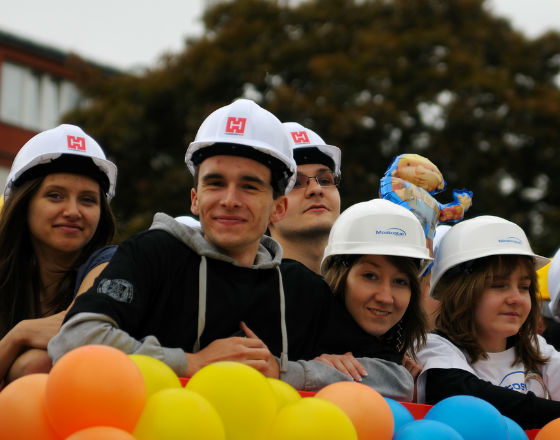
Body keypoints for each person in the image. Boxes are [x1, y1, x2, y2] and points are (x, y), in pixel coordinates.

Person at [48, 99, 396, 379]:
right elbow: (74, 339)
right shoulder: (152, 253)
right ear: (195, 198)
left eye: (249, 185)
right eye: (215, 183)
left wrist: (289, 371)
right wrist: (191, 363)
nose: (230, 199)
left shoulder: (301, 288)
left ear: (278, 207)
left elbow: (395, 376)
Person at [416, 215, 560, 429]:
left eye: (524, 287)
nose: (515, 298)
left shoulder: (536, 347)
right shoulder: (433, 348)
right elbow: (473, 400)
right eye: (499, 285)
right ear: (461, 293)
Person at [0, 124, 117, 388]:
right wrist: (16, 337)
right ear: (23, 203)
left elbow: (76, 332)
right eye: (55, 196)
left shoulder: (113, 264)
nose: (73, 211)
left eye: (88, 200)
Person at [279, 199, 431, 400]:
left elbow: (397, 382)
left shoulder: (399, 363)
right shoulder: (291, 293)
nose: (385, 297)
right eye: (370, 276)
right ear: (340, 274)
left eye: (400, 281)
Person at [268, 122, 341, 274]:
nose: (316, 189)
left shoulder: (360, 291)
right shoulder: (254, 292)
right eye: (295, 183)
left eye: (325, 180)